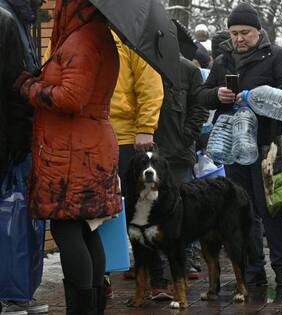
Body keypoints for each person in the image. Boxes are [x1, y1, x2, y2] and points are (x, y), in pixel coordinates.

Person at [14, 0, 121, 313]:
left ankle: (82, 309)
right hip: (86, 145)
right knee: (86, 227)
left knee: (67, 228)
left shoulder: (83, 40)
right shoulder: (97, 35)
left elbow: (71, 98)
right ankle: (92, 306)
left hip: (75, 150)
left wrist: (28, 86)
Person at [199, 2, 282, 288]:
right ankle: (253, 269)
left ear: (258, 31)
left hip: (267, 144)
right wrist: (217, 95)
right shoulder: (221, 61)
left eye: (245, 32)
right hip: (234, 147)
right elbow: (201, 96)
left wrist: (257, 97)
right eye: (234, 33)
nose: (239, 38)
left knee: (272, 207)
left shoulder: (277, 56)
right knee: (243, 212)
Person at [107, 33, 172, 300]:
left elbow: (149, 82)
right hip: (89, 134)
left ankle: (158, 279)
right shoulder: (76, 29)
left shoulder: (126, 34)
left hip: (125, 136)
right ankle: (100, 276)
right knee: (95, 211)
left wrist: (145, 127)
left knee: (141, 208)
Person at [0, 0, 48, 314]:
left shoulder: (17, 18)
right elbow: (14, 86)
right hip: (10, 140)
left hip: (11, 137)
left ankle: (16, 292)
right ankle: (14, 293)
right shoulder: (8, 21)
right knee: (13, 219)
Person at [155, 55, 209, 280]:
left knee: (184, 207)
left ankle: (188, 256)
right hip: (149, 150)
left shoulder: (187, 69)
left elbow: (200, 107)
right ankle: (154, 259)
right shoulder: (140, 63)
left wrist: (186, 136)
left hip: (178, 152)